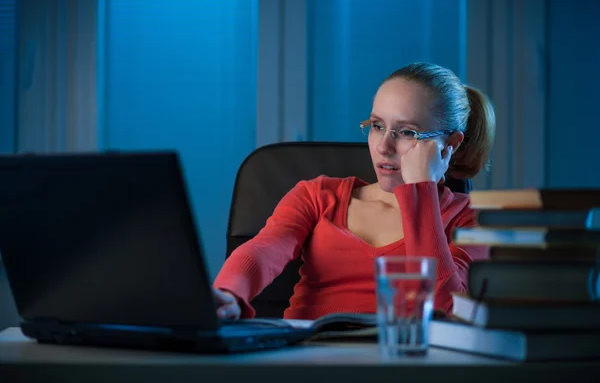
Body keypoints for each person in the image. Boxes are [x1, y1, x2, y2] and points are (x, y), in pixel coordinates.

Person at [212, 61, 496, 320]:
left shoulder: (472, 220)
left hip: (402, 364)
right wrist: (228, 294)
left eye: (408, 132)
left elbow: (444, 309)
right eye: (377, 126)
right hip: (306, 356)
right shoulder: (318, 196)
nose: (383, 147)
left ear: (450, 145)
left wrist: (420, 190)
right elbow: (264, 249)